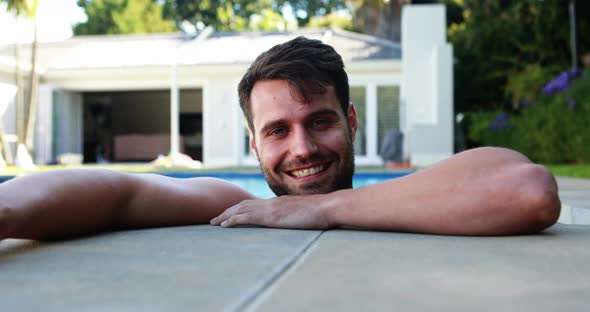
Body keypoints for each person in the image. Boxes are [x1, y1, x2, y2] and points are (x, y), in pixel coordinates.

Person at [0, 37, 560, 241]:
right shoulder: (239, 207)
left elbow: (528, 191)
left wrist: (329, 209)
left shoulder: (415, 200)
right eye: (277, 131)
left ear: (351, 122)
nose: (302, 149)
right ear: (253, 148)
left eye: (319, 120)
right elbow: (118, 192)